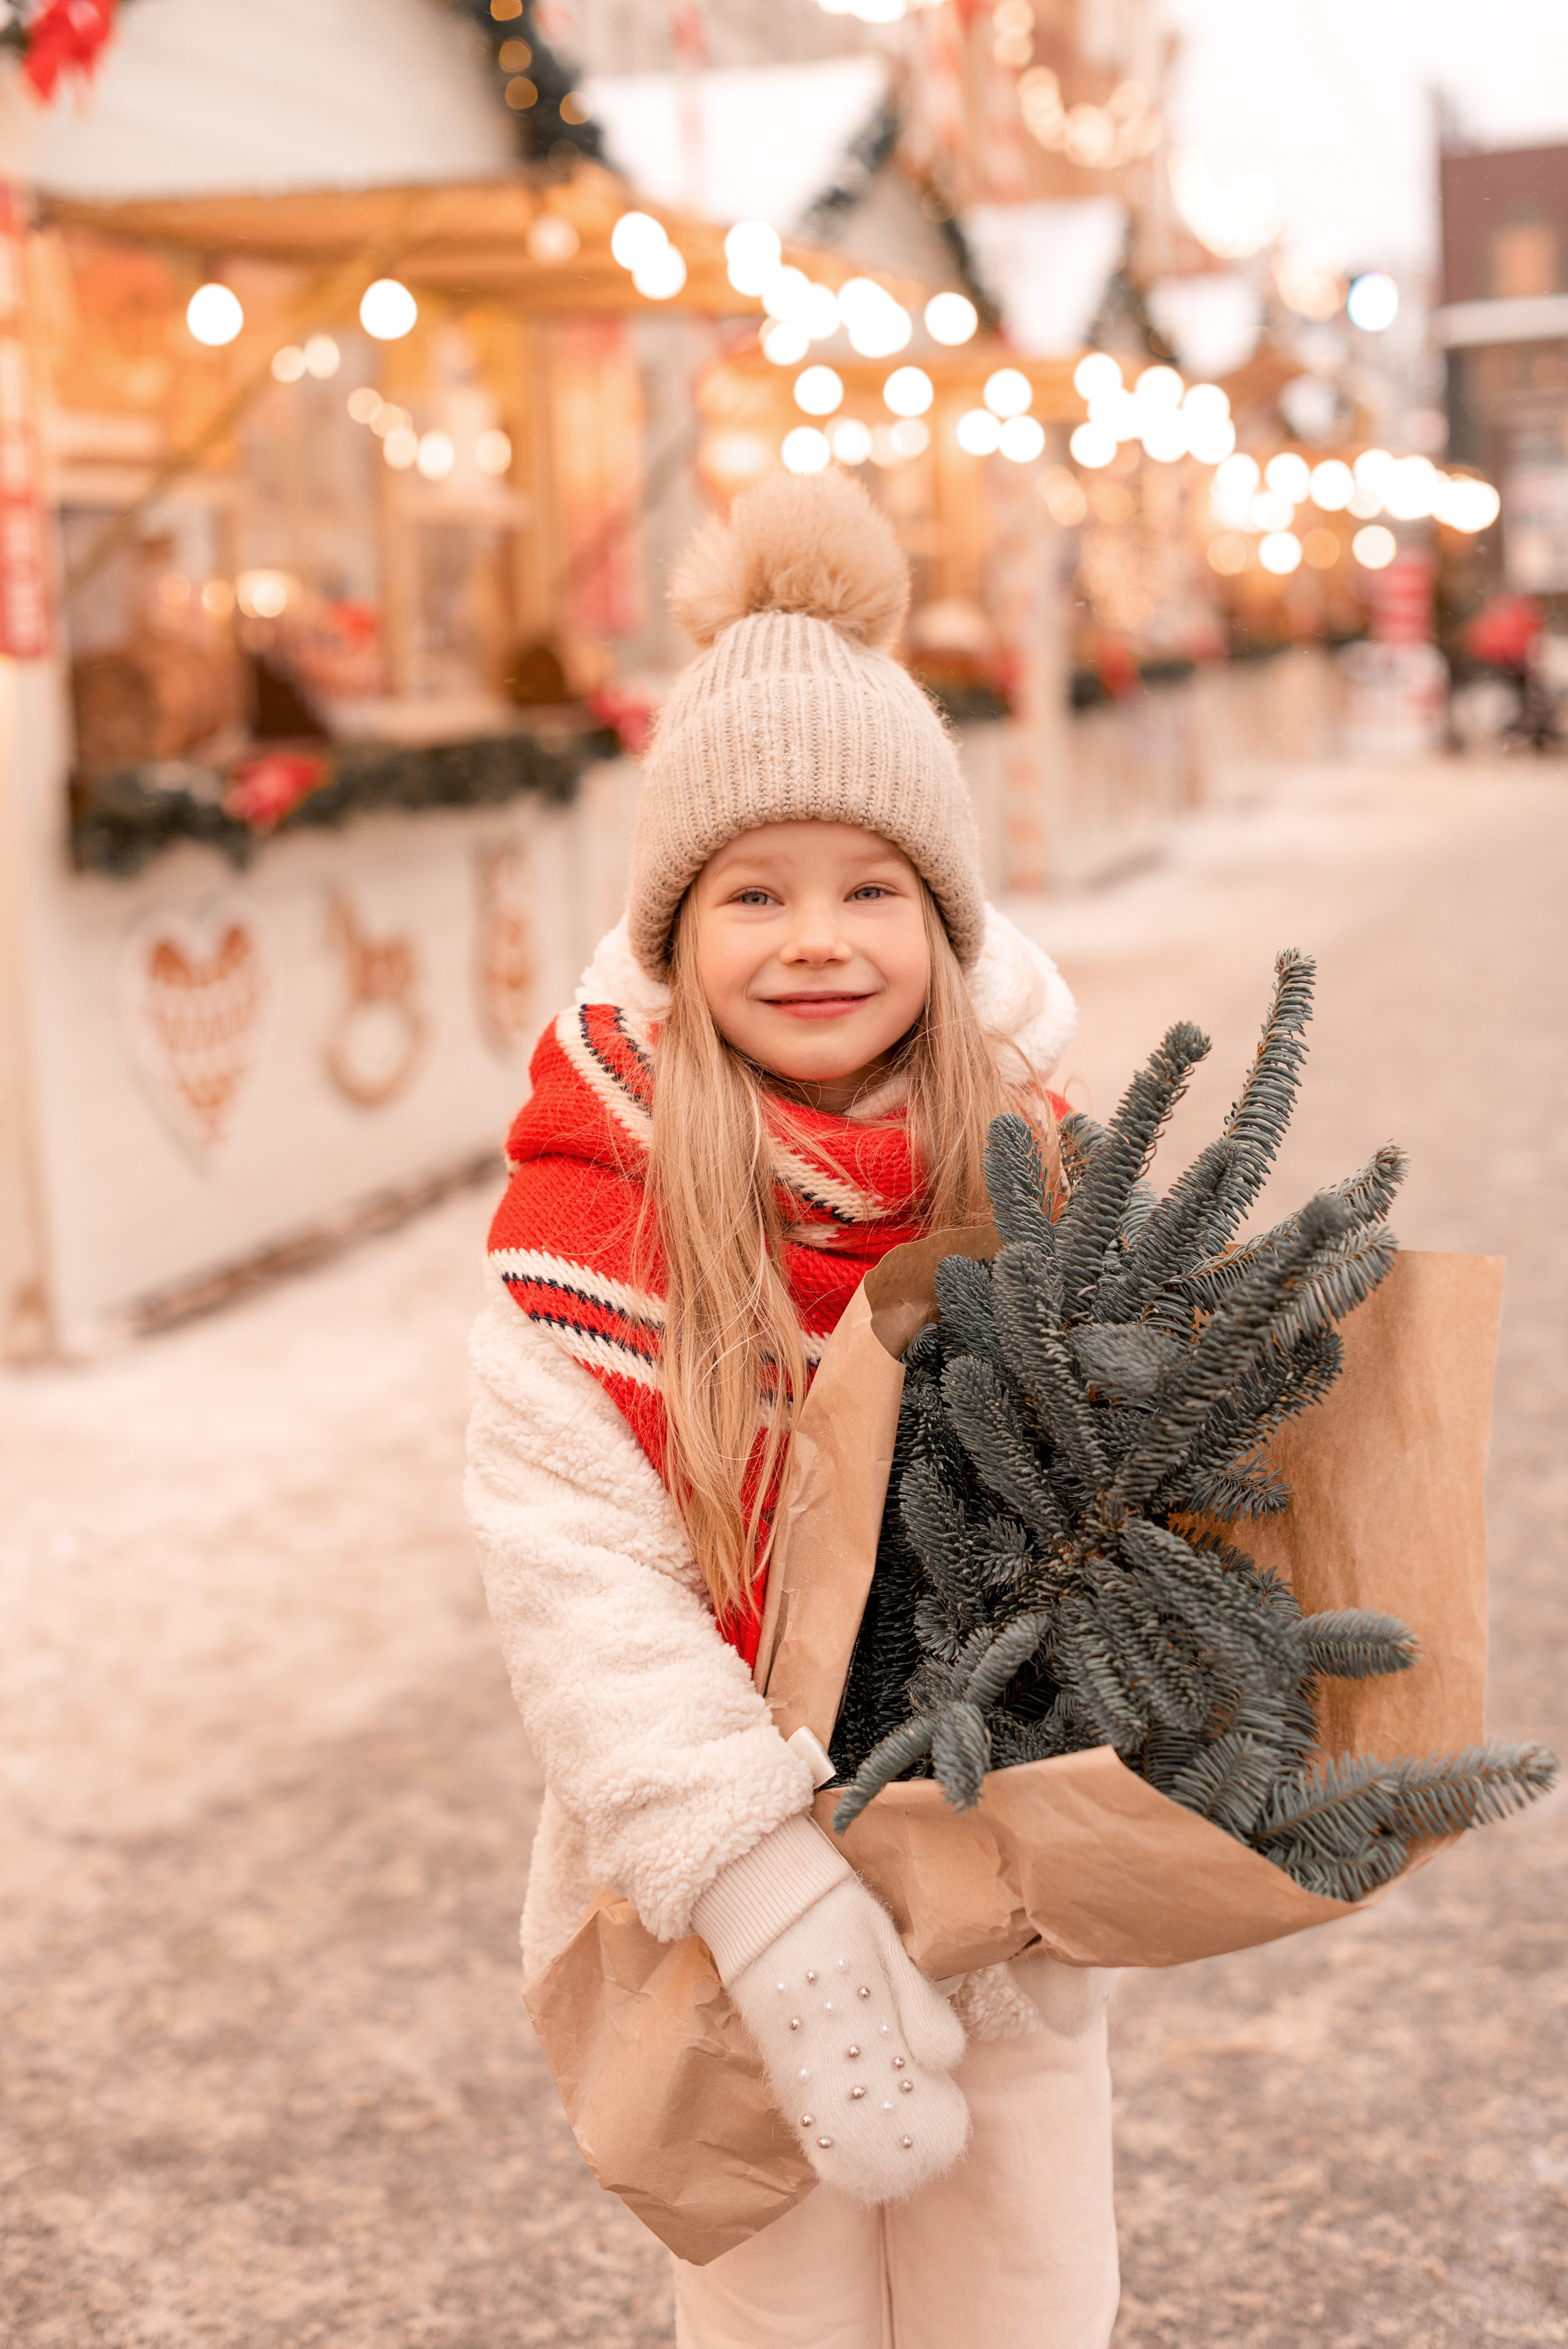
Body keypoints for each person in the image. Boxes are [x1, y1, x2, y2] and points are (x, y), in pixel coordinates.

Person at [466, 471, 1118, 2348]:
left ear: (945, 918)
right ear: (676, 929)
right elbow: (577, 1582)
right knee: (779, 2301)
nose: (815, 936)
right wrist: (763, 1891)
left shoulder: (1033, 1179)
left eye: (870, 888)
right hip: (719, 1907)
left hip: (1003, 1873)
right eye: (754, 891)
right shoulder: (592, 1225)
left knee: (1028, 2278)